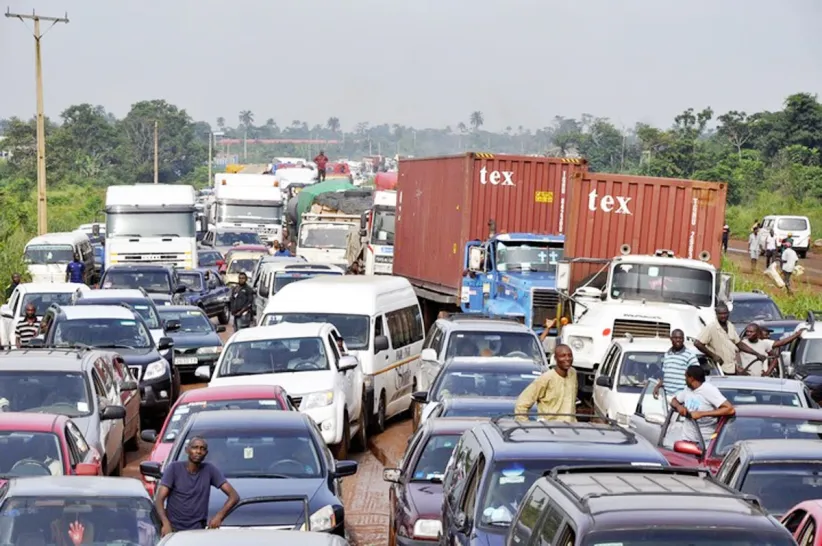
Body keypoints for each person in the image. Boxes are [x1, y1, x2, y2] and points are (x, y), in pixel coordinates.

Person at [155, 436, 239, 534]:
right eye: (195, 447)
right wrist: (165, 523)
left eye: (202, 449)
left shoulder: (209, 470)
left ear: (206, 453)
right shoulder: (174, 468)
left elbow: (234, 496)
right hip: (174, 529)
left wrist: (219, 516)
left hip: (198, 531)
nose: (198, 451)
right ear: (187, 450)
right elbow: (159, 499)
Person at [671, 365, 735, 445]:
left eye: (686, 377)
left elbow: (730, 409)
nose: (685, 379)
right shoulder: (687, 390)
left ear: (691, 378)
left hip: (706, 441)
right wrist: (679, 407)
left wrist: (702, 414)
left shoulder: (709, 390)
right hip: (687, 439)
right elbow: (674, 400)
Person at [694, 304, 766, 375]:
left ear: (728, 313)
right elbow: (697, 343)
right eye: (720, 314)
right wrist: (713, 355)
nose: (723, 316)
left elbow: (739, 344)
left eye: (725, 313)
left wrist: (757, 354)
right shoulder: (711, 327)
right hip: (719, 369)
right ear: (716, 314)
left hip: (732, 368)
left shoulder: (730, 325)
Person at [514, 344, 577, 422]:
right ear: (555, 358)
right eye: (563, 356)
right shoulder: (546, 378)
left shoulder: (573, 373)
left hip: (570, 428)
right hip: (549, 429)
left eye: (570, 355)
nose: (567, 359)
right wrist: (526, 426)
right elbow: (521, 404)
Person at [739, 323, 804, 376]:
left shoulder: (764, 343)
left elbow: (782, 344)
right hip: (745, 379)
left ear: (758, 333)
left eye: (751, 332)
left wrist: (768, 372)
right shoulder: (741, 344)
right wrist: (739, 370)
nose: (748, 334)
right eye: (747, 331)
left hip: (760, 379)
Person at [653, 329, 699, 398]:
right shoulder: (667, 354)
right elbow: (666, 375)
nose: (678, 340)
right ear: (671, 339)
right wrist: (658, 386)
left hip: (682, 396)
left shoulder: (690, 355)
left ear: (683, 339)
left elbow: (696, 374)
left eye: (680, 338)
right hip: (666, 396)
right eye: (675, 338)